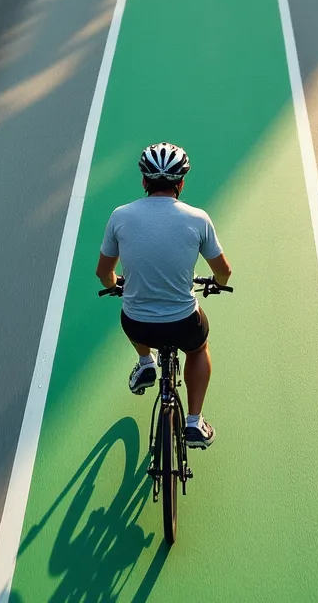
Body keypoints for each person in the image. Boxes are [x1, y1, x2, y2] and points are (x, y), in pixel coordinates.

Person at [95, 142, 232, 449]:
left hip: (138, 324)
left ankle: (146, 361)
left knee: (130, 310)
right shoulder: (198, 219)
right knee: (198, 349)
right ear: (181, 183)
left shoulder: (120, 216)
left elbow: (103, 273)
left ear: (144, 181)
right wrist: (216, 283)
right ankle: (194, 423)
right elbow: (224, 272)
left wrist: (116, 282)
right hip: (184, 323)